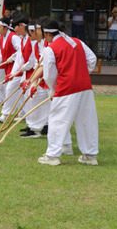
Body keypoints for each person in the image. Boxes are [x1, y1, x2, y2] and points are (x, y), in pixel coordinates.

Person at [37, 18, 98, 166]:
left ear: (47, 34)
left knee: (58, 120)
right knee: (86, 120)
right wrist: (81, 73)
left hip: (66, 87)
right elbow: (92, 59)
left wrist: (53, 88)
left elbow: (49, 75)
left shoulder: (50, 48)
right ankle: (90, 155)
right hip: (85, 86)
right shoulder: (77, 41)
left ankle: (52, 156)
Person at [0, 17, 21, 120]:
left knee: (10, 90)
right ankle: (23, 114)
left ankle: (5, 114)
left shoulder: (14, 37)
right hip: (8, 68)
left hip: (17, 68)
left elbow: (21, 51)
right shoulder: (1, 38)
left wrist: (12, 57)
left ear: (6, 28)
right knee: (17, 92)